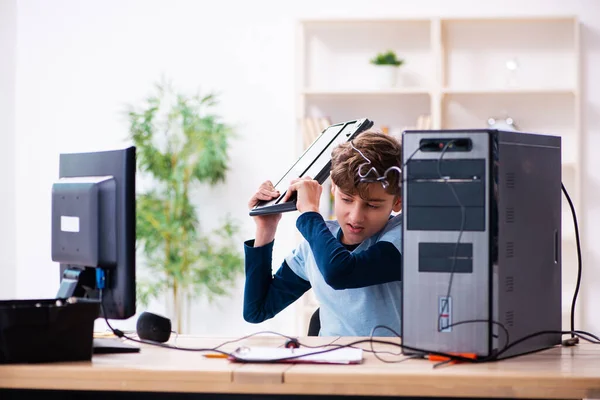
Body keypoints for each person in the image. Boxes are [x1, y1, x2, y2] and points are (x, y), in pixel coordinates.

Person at [243, 130, 403, 336]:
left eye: (372, 205)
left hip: (384, 366)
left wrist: (309, 213)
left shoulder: (402, 239)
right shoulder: (317, 243)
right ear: (333, 189)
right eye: (346, 199)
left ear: (397, 201)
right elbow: (257, 310)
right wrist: (266, 228)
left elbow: (340, 272)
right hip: (329, 364)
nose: (355, 217)